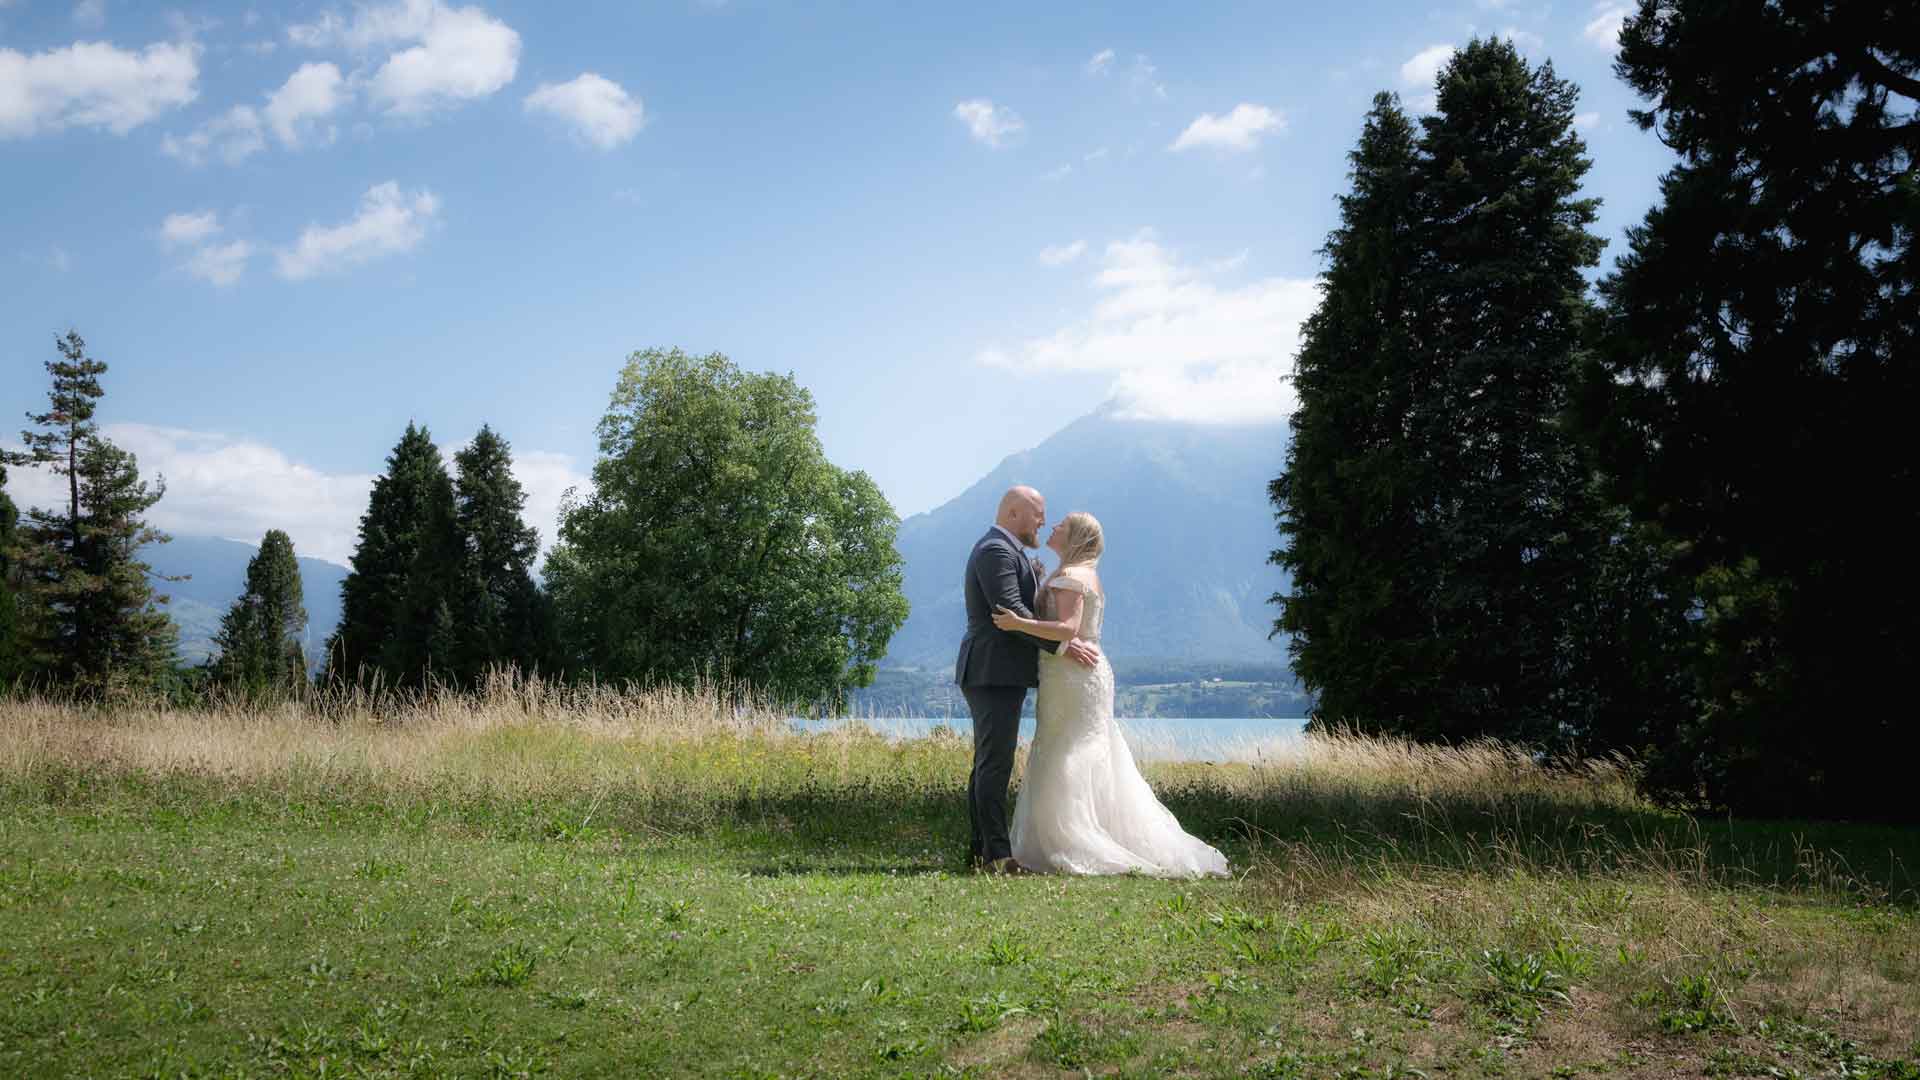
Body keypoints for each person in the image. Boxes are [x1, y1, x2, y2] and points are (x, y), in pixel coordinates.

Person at [992, 510, 1231, 878]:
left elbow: (1068, 627)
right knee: (1080, 746)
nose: (1053, 527)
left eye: (1061, 526)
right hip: (1075, 672)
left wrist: (1019, 623)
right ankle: (1083, 832)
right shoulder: (1077, 574)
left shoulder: (1072, 577)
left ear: (1074, 537)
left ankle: (1071, 838)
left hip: (1073, 675)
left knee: (1067, 749)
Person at [955, 485, 1100, 874]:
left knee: (988, 763)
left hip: (999, 673)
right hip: (992, 671)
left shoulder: (1009, 551)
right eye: (1038, 513)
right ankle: (999, 857)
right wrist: (1063, 647)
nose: (1042, 520)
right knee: (995, 764)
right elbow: (1010, 613)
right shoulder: (995, 551)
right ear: (1014, 513)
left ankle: (982, 853)